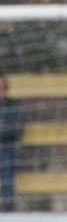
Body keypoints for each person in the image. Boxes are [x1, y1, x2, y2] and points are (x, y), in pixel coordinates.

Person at [0, 73, 23, 212]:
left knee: (7, 159)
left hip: (6, 145)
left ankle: (8, 203)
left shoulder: (14, 105)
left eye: (1, 88)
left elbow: (14, 130)